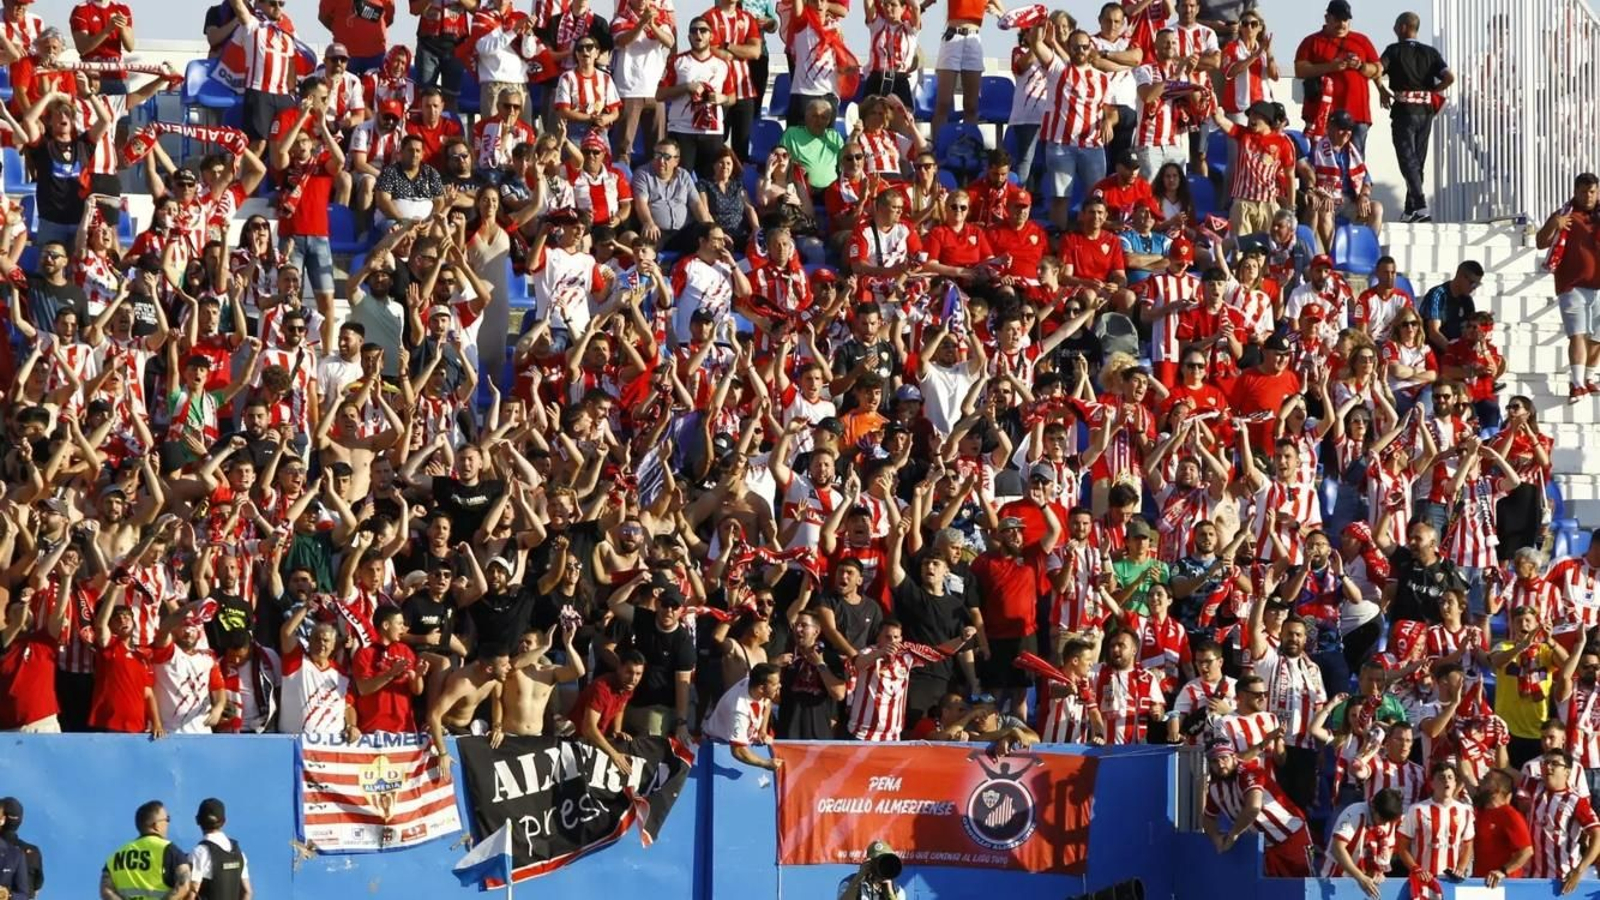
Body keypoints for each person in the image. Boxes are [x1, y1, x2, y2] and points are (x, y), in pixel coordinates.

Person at [1378, 12, 1451, 223]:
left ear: (1402, 27)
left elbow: (1377, 70)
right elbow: (1449, 77)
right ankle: (1410, 209)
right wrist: (1434, 90)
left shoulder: (1394, 50)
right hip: (1426, 110)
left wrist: (1381, 88)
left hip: (1404, 110)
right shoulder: (1431, 52)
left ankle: (1420, 206)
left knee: (1407, 158)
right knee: (1418, 160)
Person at [1201, 742, 1312, 876]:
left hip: (1291, 835)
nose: (1220, 764)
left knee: (1306, 885)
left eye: (1224, 758)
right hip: (1266, 847)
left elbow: (1253, 807)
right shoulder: (1215, 788)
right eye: (1214, 761)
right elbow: (1208, 818)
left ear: (1234, 757)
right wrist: (1215, 836)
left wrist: (1233, 834)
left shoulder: (1250, 771)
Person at [1538, 173, 1600, 401]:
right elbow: (1540, 242)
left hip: (1597, 285)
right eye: (1584, 191)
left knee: (1597, 337)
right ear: (1575, 191)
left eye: (1592, 191)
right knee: (1578, 334)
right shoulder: (1564, 214)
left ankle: (1590, 377)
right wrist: (1555, 224)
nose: (1588, 196)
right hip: (1571, 284)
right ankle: (1576, 383)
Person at [1293, 0, 1380, 152]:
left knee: (1355, 161)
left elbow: (1378, 69)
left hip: (1357, 114)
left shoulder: (1361, 41)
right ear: (1327, 18)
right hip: (1322, 115)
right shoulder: (1311, 41)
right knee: (1321, 160)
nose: (1342, 24)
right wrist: (1330, 67)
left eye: (1345, 20)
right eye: (1337, 19)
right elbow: (1300, 70)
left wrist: (1360, 65)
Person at [570, 649, 647, 775]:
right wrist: (614, 755)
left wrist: (616, 731)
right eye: (629, 672)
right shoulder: (602, 689)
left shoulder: (627, 686)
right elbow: (588, 728)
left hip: (597, 742)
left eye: (638, 674)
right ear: (619, 668)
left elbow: (621, 707)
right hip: (577, 744)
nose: (634, 678)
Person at [102, 800, 190, 900]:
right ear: (156, 825)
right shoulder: (169, 851)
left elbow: (106, 890)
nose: (168, 823)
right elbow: (184, 885)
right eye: (167, 819)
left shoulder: (116, 856)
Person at [703, 661, 783, 770]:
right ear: (761, 688)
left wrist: (762, 731)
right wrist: (766, 763)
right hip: (718, 748)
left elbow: (767, 701)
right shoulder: (739, 710)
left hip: (744, 742)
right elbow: (738, 751)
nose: (779, 686)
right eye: (775, 684)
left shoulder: (753, 685)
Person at [188, 798, 252, 900]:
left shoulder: (199, 853)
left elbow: (192, 892)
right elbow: (247, 892)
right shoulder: (238, 853)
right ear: (224, 821)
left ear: (198, 820)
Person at [0, 799, 40, 898]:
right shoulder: (31, 852)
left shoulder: (15, 855)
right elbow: (35, 890)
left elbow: (24, 894)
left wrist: (7, 896)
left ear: (2, 820)